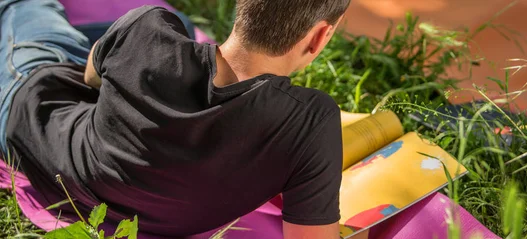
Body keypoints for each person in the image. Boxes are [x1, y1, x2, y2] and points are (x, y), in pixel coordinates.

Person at [0, 0, 350, 237]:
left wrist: (136, 65)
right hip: (44, 119)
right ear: (320, 37)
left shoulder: (145, 28)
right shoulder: (310, 124)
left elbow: (91, 77)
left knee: (27, 6)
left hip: (29, 110)